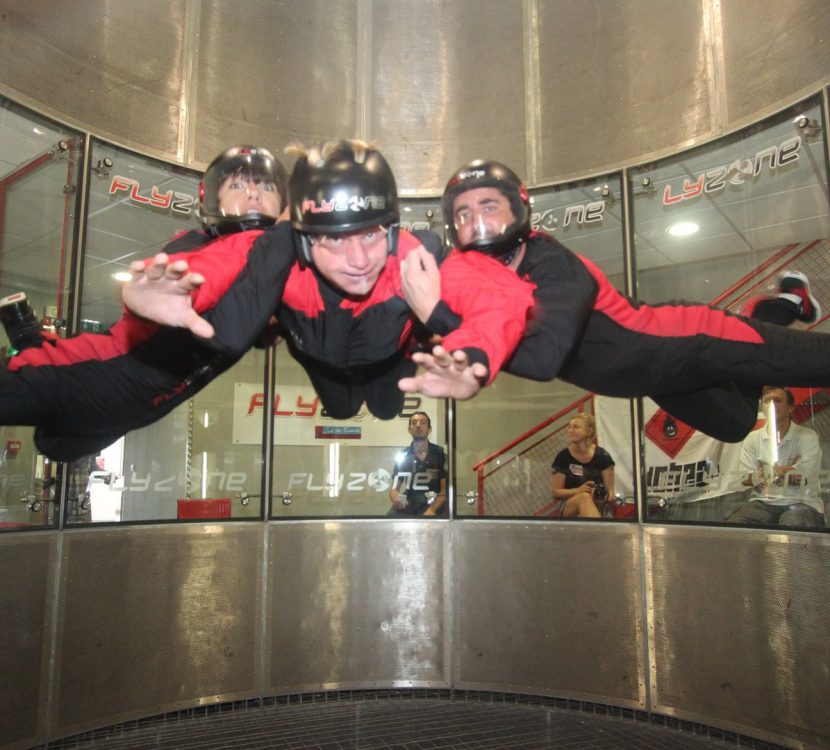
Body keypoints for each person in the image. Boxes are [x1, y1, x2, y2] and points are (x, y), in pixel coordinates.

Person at [398, 159, 830, 445]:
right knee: (736, 425)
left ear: (517, 208)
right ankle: (774, 307)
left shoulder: (552, 262)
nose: (477, 221)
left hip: (695, 339)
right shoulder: (467, 282)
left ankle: (774, 310)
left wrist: (435, 312)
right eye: (463, 214)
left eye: (488, 206)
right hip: (656, 379)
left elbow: (544, 358)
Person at [123, 140, 537, 421]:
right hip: (322, 363)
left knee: (387, 409)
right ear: (300, 241)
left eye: (371, 234)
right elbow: (219, 264)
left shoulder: (415, 255)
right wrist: (179, 292)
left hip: (389, 363)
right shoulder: (279, 256)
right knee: (340, 410)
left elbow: (499, 296)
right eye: (333, 240)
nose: (358, 261)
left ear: (392, 231)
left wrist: (475, 355)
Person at [0, 145, 290, 460]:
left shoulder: (268, 259)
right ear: (213, 199)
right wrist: (186, 290)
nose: (254, 194)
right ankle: (30, 340)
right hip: (108, 378)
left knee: (56, 443)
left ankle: (31, 340)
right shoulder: (243, 245)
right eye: (237, 185)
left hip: (139, 398)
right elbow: (212, 272)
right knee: (43, 411)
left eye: (266, 186)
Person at [725, 387, 824, 527]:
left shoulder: (807, 436)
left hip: (802, 502)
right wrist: (787, 470)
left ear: (790, 408)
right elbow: (746, 479)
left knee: (791, 526)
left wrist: (764, 472)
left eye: (777, 401)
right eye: (767, 401)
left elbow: (803, 477)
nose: (771, 405)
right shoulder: (752, 439)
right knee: (735, 526)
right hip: (763, 503)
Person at [546, 414, 615, 518]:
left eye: (576, 427)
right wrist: (578, 491)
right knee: (584, 497)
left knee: (587, 498)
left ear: (589, 431)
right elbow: (556, 492)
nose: (571, 430)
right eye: (569, 427)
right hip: (571, 505)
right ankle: (598, 531)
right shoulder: (563, 457)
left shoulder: (602, 456)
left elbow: (611, 493)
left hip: (599, 504)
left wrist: (597, 495)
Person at [388, 411, 447, 516]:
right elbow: (394, 490)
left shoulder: (439, 453)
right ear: (409, 429)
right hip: (409, 503)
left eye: (423, 422)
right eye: (414, 423)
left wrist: (432, 510)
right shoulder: (403, 455)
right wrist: (397, 500)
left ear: (429, 429)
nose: (418, 425)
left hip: (434, 503)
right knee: (389, 521)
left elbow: (444, 491)